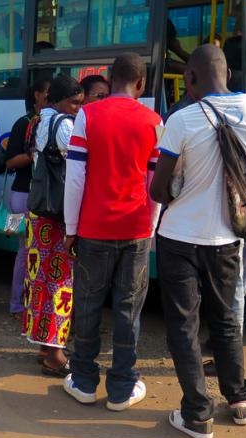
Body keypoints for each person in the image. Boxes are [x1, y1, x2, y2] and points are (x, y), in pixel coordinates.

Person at [150, 45, 246, 438]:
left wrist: (185, 191)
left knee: (183, 325)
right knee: (225, 318)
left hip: (178, 238)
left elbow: (159, 190)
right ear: (226, 73)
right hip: (226, 238)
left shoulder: (181, 119)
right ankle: (240, 401)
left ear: (190, 79)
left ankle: (196, 414)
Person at [61, 52, 162, 410]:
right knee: (128, 309)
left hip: (93, 229)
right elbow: (156, 183)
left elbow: (75, 178)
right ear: (141, 83)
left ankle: (84, 381)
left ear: (110, 77)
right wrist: (149, 227)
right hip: (135, 229)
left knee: (87, 305)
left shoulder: (88, 115)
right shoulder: (153, 121)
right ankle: (121, 388)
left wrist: (71, 227)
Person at [21, 74, 83, 376]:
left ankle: (44, 345)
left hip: (40, 214)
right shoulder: (66, 126)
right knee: (60, 284)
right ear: (59, 99)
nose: (77, 108)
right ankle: (55, 355)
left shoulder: (39, 120)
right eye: (74, 102)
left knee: (39, 281)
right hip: (58, 216)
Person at [4, 78, 50, 318]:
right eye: (47, 93)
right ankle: (17, 304)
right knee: (24, 250)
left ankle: (31, 302)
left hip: (37, 195)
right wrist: (33, 154)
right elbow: (10, 162)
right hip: (22, 195)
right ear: (36, 95)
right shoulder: (23, 124)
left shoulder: (52, 123)